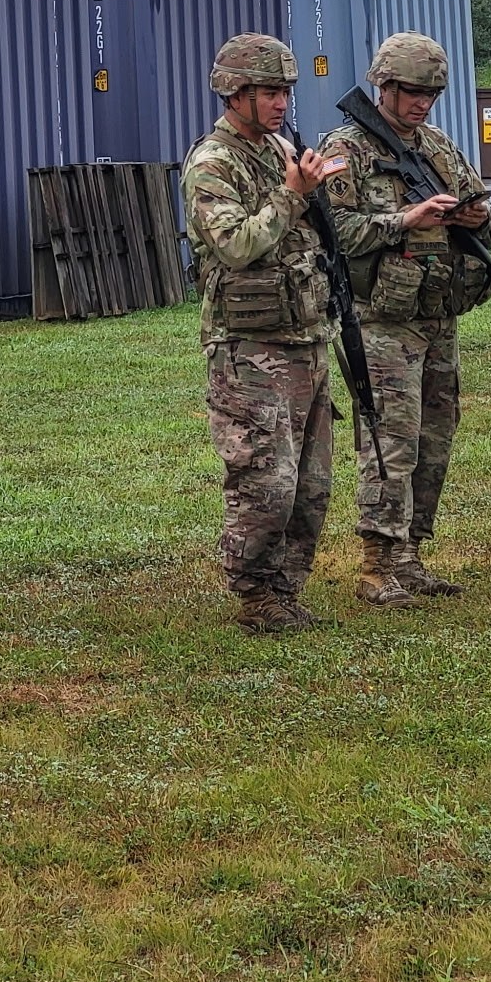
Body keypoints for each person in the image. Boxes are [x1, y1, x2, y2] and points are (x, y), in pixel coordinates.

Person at [320, 32, 491, 607]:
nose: (422, 103)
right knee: (389, 440)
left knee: (434, 438)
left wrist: (475, 217)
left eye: (431, 94)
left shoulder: (438, 147)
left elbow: (484, 212)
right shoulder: (346, 149)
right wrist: (405, 219)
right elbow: (333, 233)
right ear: (383, 86)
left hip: (437, 314)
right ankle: (377, 565)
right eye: (412, 92)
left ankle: (410, 556)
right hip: (382, 320)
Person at [181, 34, 339, 635]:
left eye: (285, 92)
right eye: (269, 92)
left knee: (311, 484)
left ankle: (285, 590)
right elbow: (236, 244)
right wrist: (292, 194)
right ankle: (255, 595)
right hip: (250, 348)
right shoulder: (213, 163)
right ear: (234, 92)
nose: (281, 103)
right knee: (264, 480)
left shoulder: (279, 149)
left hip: (304, 338)